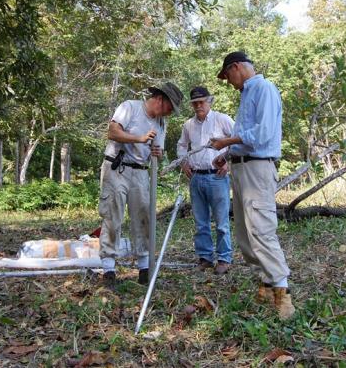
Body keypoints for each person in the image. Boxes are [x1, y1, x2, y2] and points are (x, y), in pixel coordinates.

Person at [210, 51, 295, 319]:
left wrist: (227, 142)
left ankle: (283, 292)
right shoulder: (246, 94)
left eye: (227, 76)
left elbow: (263, 134)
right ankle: (266, 284)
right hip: (241, 168)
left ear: (236, 67)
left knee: (261, 229)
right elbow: (244, 139)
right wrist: (227, 156)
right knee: (245, 235)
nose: (228, 82)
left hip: (258, 169)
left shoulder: (264, 89)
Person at [99, 82, 184, 287]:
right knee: (113, 213)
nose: (169, 113)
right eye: (169, 108)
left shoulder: (161, 123)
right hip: (117, 168)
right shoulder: (130, 107)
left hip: (141, 172)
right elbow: (112, 132)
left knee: (144, 215)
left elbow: (158, 150)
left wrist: (158, 153)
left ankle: (144, 267)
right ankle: (109, 269)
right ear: (160, 99)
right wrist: (139, 138)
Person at [177, 86, 235, 275]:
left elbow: (237, 141)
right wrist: (183, 162)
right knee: (200, 221)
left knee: (221, 221)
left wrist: (228, 162)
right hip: (196, 176)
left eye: (201, 102)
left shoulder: (222, 119)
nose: (198, 106)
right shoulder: (188, 125)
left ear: (209, 101)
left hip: (217, 177)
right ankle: (205, 258)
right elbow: (182, 145)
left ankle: (224, 258)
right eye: (195, 103)